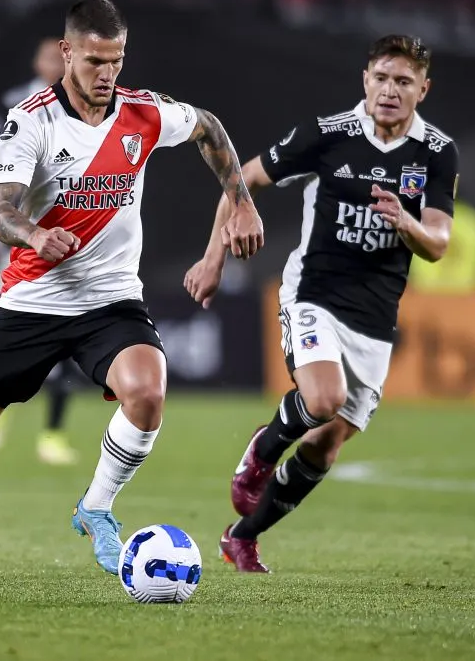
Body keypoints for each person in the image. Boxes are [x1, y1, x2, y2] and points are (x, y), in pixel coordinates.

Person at [0, 0, 264, 590]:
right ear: (66, 53)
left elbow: (209, 126)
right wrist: (34, 232)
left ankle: (96, 507)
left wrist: (241, 200)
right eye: (95, 61)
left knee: (148, 391)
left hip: (109, 301)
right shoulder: (31, 121)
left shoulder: (142, 114)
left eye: (117, 60)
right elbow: (0, 213)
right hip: (33, 301)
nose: (107, 74)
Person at [184, 34, 458, 573]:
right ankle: (262, 451)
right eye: (381, 77)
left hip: (376, 319)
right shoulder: (327, 135)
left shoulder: (436, 152)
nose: (390, 90)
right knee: (323, 396)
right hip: (314, 295)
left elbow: (439, 242)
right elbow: (244, 181)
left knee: (325, 444)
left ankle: (242, 537)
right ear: (365, 79)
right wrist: (214, 257)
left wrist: (406, 222)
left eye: (404, 82)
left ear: (423, 89)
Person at [0, 36, 80, 464]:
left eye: (62, 58)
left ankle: (52, 434)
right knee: (8, 331)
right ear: (37, 61)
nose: (55, 65)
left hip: (71, 239)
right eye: (49, 57)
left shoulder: (91, 107)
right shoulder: (16, 106)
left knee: (69, 336)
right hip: (18, 238)